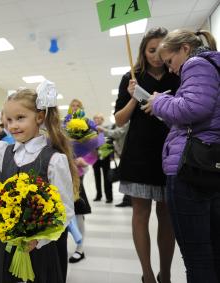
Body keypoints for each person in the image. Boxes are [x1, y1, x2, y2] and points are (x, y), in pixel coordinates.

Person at [0, 83, 77, 283]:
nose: (13, 125)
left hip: (41, 249)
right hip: (6, 245)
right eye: (9, 120)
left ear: (39, 117)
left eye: (20, 118)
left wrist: (39, 239)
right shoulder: (3, 152)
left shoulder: (54, 159)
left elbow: (65, 210)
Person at [143, 29, 219, 283]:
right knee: (213, 249)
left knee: (197, 258)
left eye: (170, 61)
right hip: (210, 164)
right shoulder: (212, 64)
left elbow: (194, 107)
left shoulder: (197, 64)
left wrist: (158, 103)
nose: (172, 69)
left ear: (184, 49)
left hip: (190, 167)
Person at [114, 27, 180, 283]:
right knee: (140, 214)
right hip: (139, 155)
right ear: (143, 51)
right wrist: (133, 97)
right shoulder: (131, 77)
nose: (156, 56)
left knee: (167, 216)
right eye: (151, 50)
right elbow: (119, 121)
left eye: (161, 50)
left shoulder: (177, 75)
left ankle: (166, 274)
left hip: (170, 154)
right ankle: (148, 275)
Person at [64, 99, 93, 264]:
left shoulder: (87, 128)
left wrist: (85, 161)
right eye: (72, 105)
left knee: (79, 210)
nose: (74, 108)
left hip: (78, 173)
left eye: (77, 106)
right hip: (63, 172)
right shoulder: (64, 126)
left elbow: (94, 150)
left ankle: (80, 248)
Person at [97, 122, 132, 207]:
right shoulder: (118, 124)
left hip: (124, 153)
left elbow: (116, 133)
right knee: (126, 176)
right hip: (120, 153)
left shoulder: (127, 122)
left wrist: (103, 130)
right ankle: (127, 198)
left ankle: (128, 199)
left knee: (127, 176)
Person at [92, 113, 113, 203]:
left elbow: (110, 143)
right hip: (95, 157)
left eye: (99, 118)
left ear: (102, 120)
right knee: (97, 177)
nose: (97, 120)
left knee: (107, 177)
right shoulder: (91, 131)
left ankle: (109, 196)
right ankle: (98, 195)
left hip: (105, 156)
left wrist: (111, 156)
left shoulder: (106, 130)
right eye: (96, 118)